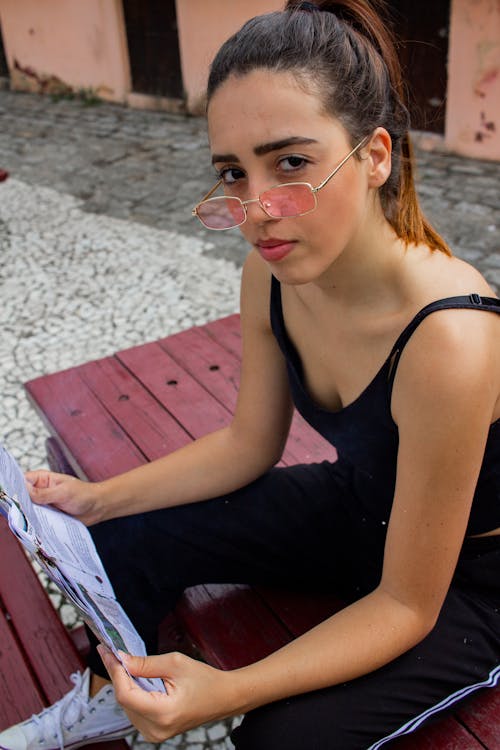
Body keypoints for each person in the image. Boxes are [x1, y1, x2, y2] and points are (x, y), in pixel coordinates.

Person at [1, 1, 499, 748]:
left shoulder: (451, 337)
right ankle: (111, 695)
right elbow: (247, 445)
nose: (255, 209)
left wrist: (225, 693)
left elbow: (406, 605)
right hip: (363, 506)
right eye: (233, 172)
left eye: (290, 162)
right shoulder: (271, 276)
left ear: (374, 156)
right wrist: (98, 498)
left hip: (465, 576)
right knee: (126, 538)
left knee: (278, 738)